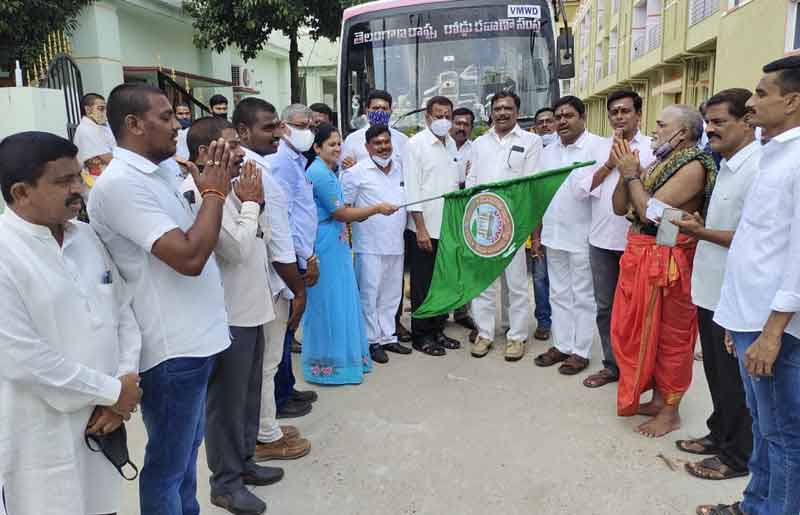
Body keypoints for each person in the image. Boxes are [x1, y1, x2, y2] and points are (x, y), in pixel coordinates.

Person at [86, 83, 233, 515]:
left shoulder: (164, 170)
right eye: (167, 117)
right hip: (171, 348)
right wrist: (214, 194)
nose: (178, 126)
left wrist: (205, 188)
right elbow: (188, 257)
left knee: (186, 458)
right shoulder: (119, 185)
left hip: (198, 337)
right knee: (168, 468)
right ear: (133, 124)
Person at [0, 131, 142, 515]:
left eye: (79, 176)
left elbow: (123, 310)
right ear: (21, 192)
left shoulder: (86, 236)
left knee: (103, 506)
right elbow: (20, 357)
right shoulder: (6, 252)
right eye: (64, 181)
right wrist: (112, 391)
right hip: (40, 438)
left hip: (103, 422)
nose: (80, 188)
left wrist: (123, 386)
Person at [703, 56, 800, 515]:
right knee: (765, 427)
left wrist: (772, 330)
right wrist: (733, 317)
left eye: (762, 94)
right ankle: (754, 505)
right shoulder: (774, 155)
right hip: (749, 319)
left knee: (783, 435)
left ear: (793, 100)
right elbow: (756, 247)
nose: (753, 101)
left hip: (775, 329)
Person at [181, 118, 286, 514]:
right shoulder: (199, 194)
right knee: (225, 404)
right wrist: (252, 204)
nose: (242, 151)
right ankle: (224, 482)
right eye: (232, 145)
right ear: (206, 153)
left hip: (253, 305)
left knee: (247, 396)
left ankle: (243, 463)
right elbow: (236, 249)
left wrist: (253, 205)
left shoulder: (235, 187)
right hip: (228, 315)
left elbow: (262, 238)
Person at [610, 104, 716, 438]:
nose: (654, 130)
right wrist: (622, 171)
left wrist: (631, 174)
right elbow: (619, 207)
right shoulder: (659, 163)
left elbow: (651, 211)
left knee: (671, 337)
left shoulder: (695, 166)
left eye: (660, 124)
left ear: (682, 133)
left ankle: (671, 410)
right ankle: (658, 400)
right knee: (642, 333)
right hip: (642, 255)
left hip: (669, 262)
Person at [670, 90, 758, 488]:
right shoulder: (727, 165)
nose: (711, 128)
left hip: (735, 292)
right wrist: (703, 222)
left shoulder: (757, 167)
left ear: (746, 122)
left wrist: (700, 230)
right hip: (710, 287)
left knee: (733, 378)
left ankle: (736, 455)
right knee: (716, 373)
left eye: (720, 121)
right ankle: (718, 433)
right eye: (709, 121)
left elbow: (751, 237)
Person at [232, 98, 313, 464]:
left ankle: (265, 427)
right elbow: (278, 238)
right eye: (269, 127)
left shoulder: (258, 166)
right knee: (266, 365)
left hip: (268, 278)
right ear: (244, 131)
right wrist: (298, 288)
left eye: (278, 125)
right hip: (271, 280)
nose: (279, 132)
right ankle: (265, 435)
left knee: (265, 363)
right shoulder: (255, 170)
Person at [303, 123, 397, 383]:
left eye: (338, 143)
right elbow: (341, 212)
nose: (337, 148)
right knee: (329, 303)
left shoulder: (329, 171)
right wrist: (376, 209)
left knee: (342, 300)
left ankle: (346, 360)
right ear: (317, 147)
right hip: (326, 241)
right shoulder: (319, 173)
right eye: (331, 144)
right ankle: (327, 365)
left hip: (336, 239)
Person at [582, 91, 656, 389]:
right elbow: (583, 187)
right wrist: (610, 165)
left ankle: (637, 369)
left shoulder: (653, 147)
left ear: (638, 114)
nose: (619, 117)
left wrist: (633, 169)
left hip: (636, 242)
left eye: (626, 111)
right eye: (614, 112)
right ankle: (612, 365)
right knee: (605, 308)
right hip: (601, 240)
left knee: (638, 311)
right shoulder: (599, 148)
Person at [533, 96, 608, 375]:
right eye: (558, 117)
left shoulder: (598, 147)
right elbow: (540, 194)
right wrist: (537, 235)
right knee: (558, 293)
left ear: (582, 116)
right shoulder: (548, 152)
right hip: (553, 234)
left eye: (568, 116)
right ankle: (562, 345)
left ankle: (581, 351)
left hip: (583, 235)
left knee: (583, 295)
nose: (562, 121)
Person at [467, 91, 542, 361]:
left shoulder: (531, 141)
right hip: (484, 220)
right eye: (497, 108)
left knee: (517, 282)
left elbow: (530, 183)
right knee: (484, 281)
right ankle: (485, 333)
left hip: (514, 220)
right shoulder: (479, 143)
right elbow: (473, 180)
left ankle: (517, 336)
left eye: (507, 108)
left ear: (516, 111)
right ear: (491, 112)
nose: (502, 113)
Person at [342, 124, 411, 364]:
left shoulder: (401, 169)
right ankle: (371, 341)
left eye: (386, 142)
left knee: (392, 294)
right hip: (368, 245)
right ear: (367, 147)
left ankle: (388, 337)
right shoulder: (355, 173)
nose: (383, 147)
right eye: (378, 143)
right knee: (369, 295)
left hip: (395, 243)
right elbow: (345, 209)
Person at [267, 103, 319, 418]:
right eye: (301, 125)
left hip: (300, 251)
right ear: (284, 127)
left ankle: (286, 387)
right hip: (291, 255)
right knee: (284, 328)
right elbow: (284, 217)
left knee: (288, 329)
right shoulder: (281, 164)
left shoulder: (296, 160)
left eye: (310, 125)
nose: (307, 131)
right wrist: (304, 255)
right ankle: (280, 396)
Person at [404, 96, 463, 356]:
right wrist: (421, 229)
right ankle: (421, 335)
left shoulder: (451, 144)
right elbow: (413, 189)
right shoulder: (415, 145)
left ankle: (438, 329)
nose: (443, 120)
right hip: (424, 227)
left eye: (447, 115)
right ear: (427, 117)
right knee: (422, 285)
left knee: (443, 283)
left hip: (448, 226)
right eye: (438, 115)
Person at [449, 107, 479, 334]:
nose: (461, 127)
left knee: (466, 263)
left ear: (471, 127)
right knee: (445, 261)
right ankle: (441, 310)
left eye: (465, 124)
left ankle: (462, 311)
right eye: (457, 123)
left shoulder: (476, 149)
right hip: (444, 209)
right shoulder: (440, 146)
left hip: (468, 210)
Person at [529, 106, 557, 341]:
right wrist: (535, 235)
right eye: (542, 122)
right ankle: (544, 321)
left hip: (565, 226)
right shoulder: (534, 152)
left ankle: (565, 323)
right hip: (539, 223)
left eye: (550, 121)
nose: (546, 125)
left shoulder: (564, 152)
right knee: (539, 277)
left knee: (563, 279)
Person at [340, 89, 408, 169]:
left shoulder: (402, 140)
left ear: (390, 111)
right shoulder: (352, 140)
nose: (380, 112)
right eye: (375, 108)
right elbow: (344, 170)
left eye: (384, 108)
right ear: (367, 111)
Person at [73, 93, 116, 181]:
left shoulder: (102, 126)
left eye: (105, 109)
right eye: (101, 109)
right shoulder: (85, 129)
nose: (105, 112)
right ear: (88, 110)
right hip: (96, 180)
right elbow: (108, 158)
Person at [305, 103, 335, 169]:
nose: (314, 126)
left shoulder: (338, 146)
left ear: (330, 123)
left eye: (318, 122)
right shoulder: (303, 147)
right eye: (310, 122)